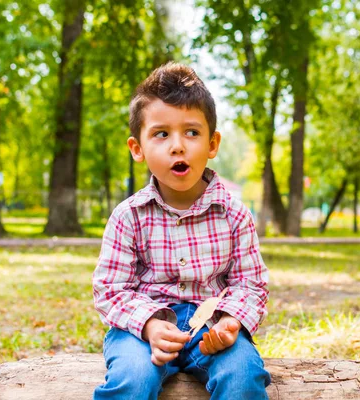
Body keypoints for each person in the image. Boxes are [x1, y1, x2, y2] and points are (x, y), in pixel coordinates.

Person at [92, 62, 271, 400]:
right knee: (133, 378)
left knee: (242, 378)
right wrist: (148, 324)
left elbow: (251, 283)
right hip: (142, 331)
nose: (178, 146)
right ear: (137, 148)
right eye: (161, 134)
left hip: (213, 328)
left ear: (212, 143)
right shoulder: (129, 216)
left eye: (191, 132)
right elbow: (110, 289)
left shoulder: (234, 215)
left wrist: (231, 321)